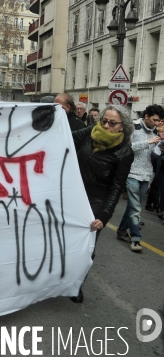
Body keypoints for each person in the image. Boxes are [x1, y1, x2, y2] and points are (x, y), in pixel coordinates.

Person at [70, 105, 134, 303]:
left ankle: (76, 284)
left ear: (122, 126)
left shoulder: (125, 152)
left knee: (85, 247)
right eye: (104, 121)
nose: (106, 125)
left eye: (112, 123)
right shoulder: (90, 132)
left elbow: (116, 187)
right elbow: (65, 135)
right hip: (72, 195)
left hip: (95, 203)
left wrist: (104, 216)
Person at [116, 104, 164, 252]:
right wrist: (147, 142)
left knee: (132, 206)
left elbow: (153, 154)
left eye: (159, 121)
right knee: (136, 208)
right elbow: (126, 147)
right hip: (131, 173)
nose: (157, 123)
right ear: (146, 116)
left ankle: (121, 231)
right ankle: (135, 238)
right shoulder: (133, 126)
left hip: (147, 174)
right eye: (155, 120)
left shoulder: (155, 131)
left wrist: (160, 148)